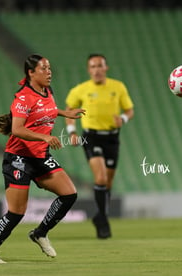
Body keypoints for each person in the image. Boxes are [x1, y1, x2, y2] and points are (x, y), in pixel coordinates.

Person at [0, 54, 85, 264]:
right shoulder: (23, 97)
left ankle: (40, 232)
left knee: (69, 194)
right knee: (17, 212)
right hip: (18, 158)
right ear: (31, 73)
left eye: (49, 68)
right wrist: (45, 136)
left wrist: (65, 113)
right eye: (43, 68)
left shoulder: (47, 91)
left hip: (40, 156)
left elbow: (47, 110)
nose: (49, 72)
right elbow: (17, 129)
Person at [65, 54, 134, 239]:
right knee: (101, 178)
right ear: (89, 70)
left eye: (99, 66)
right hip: (91, 136)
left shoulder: (117, 87)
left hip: (112, 138)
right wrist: (72, 132)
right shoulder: (80, 90)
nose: (96, 69)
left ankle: (100, 216)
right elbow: (69, 111)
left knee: (108, 182)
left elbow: (129, 110)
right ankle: (103, 220)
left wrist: (124, 119)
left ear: (106, 68)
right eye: (93, 66)